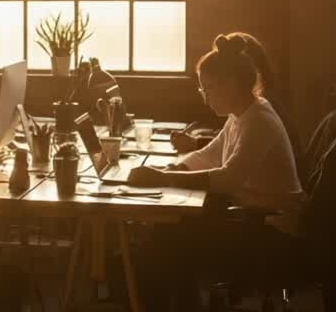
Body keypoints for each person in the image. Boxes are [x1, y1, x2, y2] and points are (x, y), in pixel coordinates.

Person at [130, 34, 304, 225]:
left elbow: (228, 179)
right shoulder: (241, 113)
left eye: (208, 89)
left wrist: (165, 178)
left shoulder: (259, 120)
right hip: (252, 212)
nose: (205, 99)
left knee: (171, 230)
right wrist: (174, 168)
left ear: (230, 85)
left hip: (274, 223)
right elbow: (209, 155)